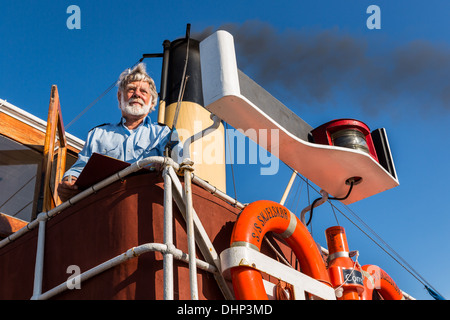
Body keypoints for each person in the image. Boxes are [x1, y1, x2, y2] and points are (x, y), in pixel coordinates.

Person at [57, 63, 181, 202]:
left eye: (143, 91)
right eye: (131, 89)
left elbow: (181, 165)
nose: (137, 94)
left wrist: (166, 164)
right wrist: (69, 181)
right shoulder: (98, 134)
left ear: (152, 102)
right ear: (119, 97)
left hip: (149, 206)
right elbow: (79, 169)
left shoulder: (164, 134)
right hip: (104, 210)